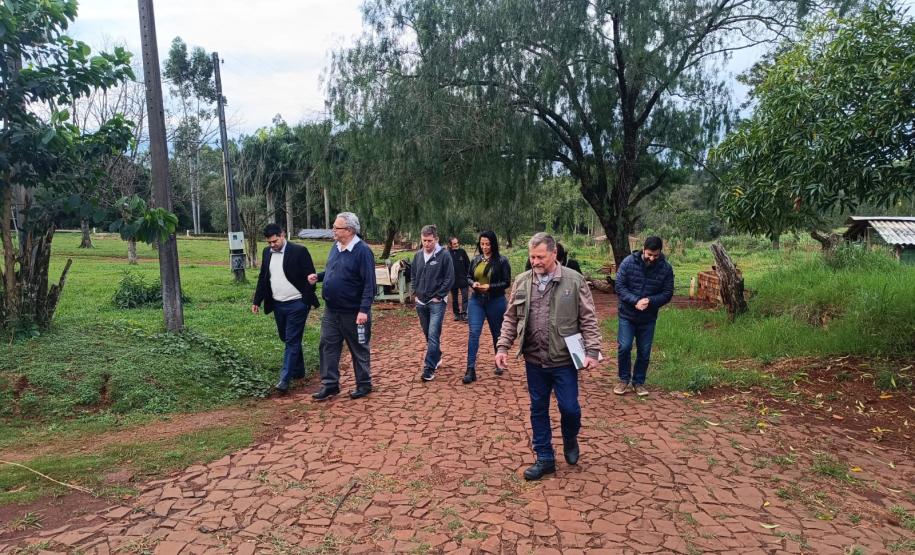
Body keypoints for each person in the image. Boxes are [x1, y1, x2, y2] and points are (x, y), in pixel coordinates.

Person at [495, 232, 602, 481]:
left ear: (554, 254)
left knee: (570, 408)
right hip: (534, 359)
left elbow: (588, 318)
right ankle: (544, 458)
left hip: (564, 360)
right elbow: (511, 317)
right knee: (538, 408)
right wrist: (502, 347)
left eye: (540, 256)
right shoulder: (522, 281)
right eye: (532, 257)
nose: (535, 261)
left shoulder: (574, 281)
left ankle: (570, 436)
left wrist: (593, 351)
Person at [307, 212, 376, 401]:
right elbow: (333, 270)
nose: (333, 230)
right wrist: (319, 277)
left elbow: (370, 284)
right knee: (327, 346)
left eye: (337, 228)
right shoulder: (335, 247)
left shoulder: (363, 251)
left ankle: (364, 384)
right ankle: (330, 385)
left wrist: (363, 310)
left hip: (353, 312)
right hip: (332, 310)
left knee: (358, 348)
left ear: (350, 230)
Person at [251, 223, 320, 393]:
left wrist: (305, 300)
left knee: (291, 340)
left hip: (297, 303)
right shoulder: (267, 253)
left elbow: (311, 277)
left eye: (275, 241)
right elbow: (263, 277)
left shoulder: (299, 251)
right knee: (287, 338)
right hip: (278, 304)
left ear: (282, 235)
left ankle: (285, 379)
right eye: (269, 243)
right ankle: (299, 370)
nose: (272, 245)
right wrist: (256, 300)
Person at [613, 236, 674, 397]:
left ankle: (638, 382)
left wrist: (651, 301)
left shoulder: (666, 269)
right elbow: (619, 286)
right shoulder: (628, 263)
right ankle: (623, 379)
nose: (652, 258)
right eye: (649, 254)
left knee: (644, 352)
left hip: (648, 317)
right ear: (643, 249)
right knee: (624, 347)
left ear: (660, 252)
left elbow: (667, 293)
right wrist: (635, 301)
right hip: (627, 314)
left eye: (655, 255)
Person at [463, 231, 512, 384]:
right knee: (474, 333)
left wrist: (490, 287)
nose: (484, 247)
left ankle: (498, 361)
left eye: (488, 244)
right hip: (476, 300)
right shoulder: (476, 259)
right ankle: (470, 369)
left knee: (496, 333)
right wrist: (473, 284)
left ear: (493, 244)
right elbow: (468, 276)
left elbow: (506, 282)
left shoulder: (502, 261)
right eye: (482, 244)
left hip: (495, 301)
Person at [412, 225, 455, 381]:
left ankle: (429, 368)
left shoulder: (444, 256)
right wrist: (414, 292)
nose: (426, 244)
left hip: (436, 302)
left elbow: (449, 278)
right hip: (420, 302)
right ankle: (436, 355)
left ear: (436, 239)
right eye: (424, 240)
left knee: (433, 333)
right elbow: (414, 275)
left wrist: (439, 295)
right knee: (427, 334)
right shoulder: (417, 256)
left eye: (430, 241)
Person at [448, 237, 471, 322]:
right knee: (454, 298)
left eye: (457, 243)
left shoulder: (462, 252)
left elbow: (468, 265)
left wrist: (468, 277)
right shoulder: (447, 254)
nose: (457, 244)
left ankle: (465, 314)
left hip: (463, 279)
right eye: (454, 243)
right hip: (453, 281)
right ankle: (457, 314)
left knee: (465, 297)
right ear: (450, 245)